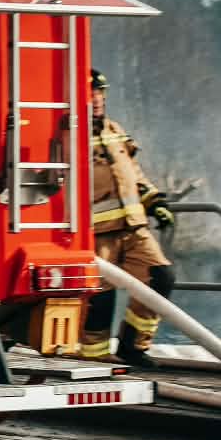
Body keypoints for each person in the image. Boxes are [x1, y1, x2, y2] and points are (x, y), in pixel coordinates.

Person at [82, 69, 174, 364]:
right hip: (95, 234)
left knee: (160, 277)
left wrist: (155, 202)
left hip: (134, 228)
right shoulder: (68, 136)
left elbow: (133, 173)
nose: (97, 98)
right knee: (100, 298)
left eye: (100, 92)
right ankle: (93, 358)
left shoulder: (114, 130)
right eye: (90, 92)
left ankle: (133, 346)